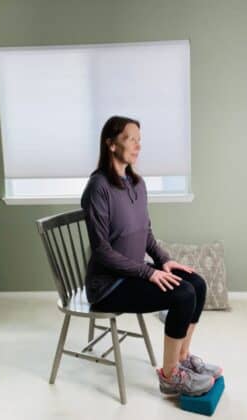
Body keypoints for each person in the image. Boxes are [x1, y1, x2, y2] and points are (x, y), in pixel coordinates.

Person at [80, 115, 222, 397]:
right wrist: (149, 272)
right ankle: (170, 376)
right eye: (130, 139)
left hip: (132, 272)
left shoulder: (137, 184)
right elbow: (102, 251)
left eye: (139, 140)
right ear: (110, 144)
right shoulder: (98, 188)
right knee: (182, 295)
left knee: (197, 284)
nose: (137, 146)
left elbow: (145, 233)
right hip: (108, 285)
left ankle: (182, 359)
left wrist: (163, 261)